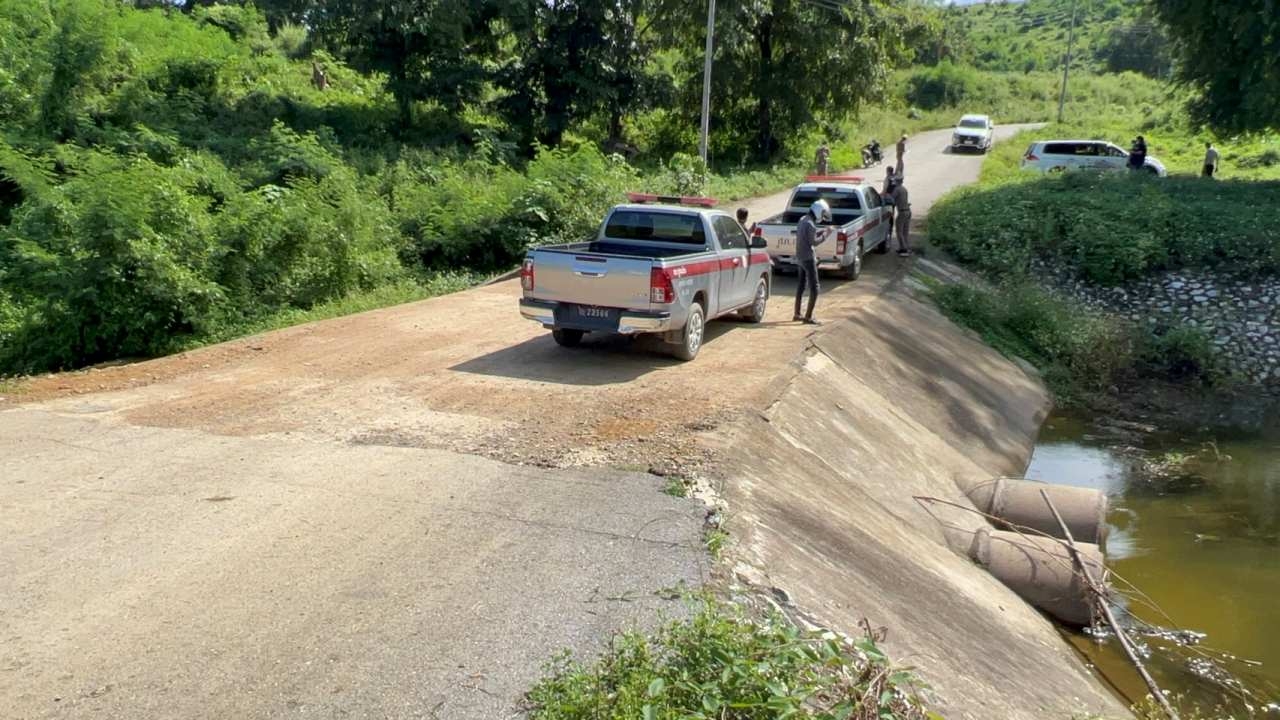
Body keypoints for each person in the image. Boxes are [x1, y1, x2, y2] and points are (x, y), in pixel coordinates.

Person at [794, 199, 832, 324]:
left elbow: (808, 236)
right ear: (818, 212)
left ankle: (797, 313)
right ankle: (808, 316)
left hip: (799, 256)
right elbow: (814, 242)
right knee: (815, 288)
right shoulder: (810, 224)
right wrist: (827, 234)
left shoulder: (803, 219)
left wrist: (820, 232)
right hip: (808, 258)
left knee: (801, 286)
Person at [890, 181, 912, 257]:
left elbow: (891, 199)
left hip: (902, 212)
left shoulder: (896, 189)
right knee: (905, 231)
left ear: (896, 182)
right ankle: (904, 247)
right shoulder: (904, 189)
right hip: (908, 211)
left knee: (899, 231)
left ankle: (904, 249)